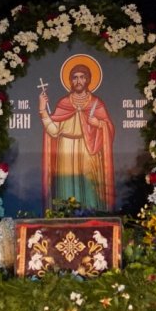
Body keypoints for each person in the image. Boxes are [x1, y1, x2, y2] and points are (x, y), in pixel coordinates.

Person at [39, 62, 115, 211]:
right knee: (66, 189)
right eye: (75, 77)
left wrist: (99, 123)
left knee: (90, 189)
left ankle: (93, 219)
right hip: (65, 150)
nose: (78, 81)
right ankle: (64, 219)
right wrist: (42, 110)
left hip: (88, 150)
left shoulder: (96, 103)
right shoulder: (64, 103)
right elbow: (53, 131)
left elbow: (108, 129)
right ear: (70, 81)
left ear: (88, 80)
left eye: (82, 77)